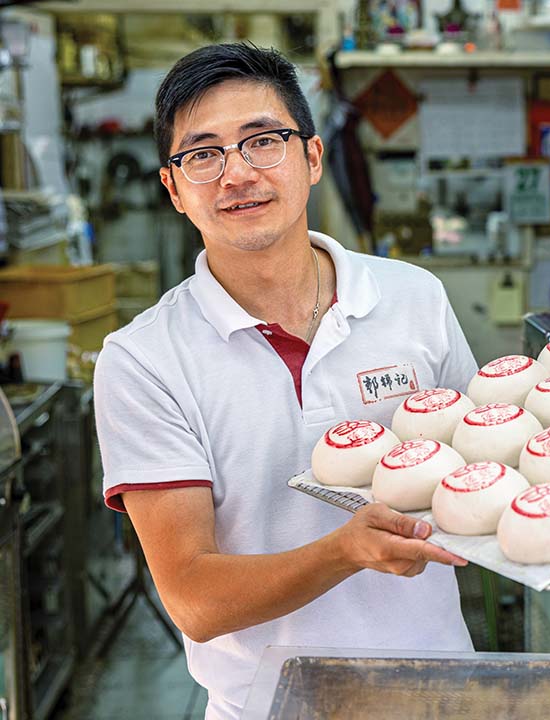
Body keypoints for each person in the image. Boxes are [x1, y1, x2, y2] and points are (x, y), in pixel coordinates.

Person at [93, 43, 477, 720]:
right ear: (174, 189)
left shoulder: (414, 297)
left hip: (440, 692)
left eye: (263, 140)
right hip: (268, 708)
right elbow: (193, 598)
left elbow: (479, 464)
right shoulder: (143, 360)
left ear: (313, 158)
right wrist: (344, 551)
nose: (237, 173)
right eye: (202, 154)